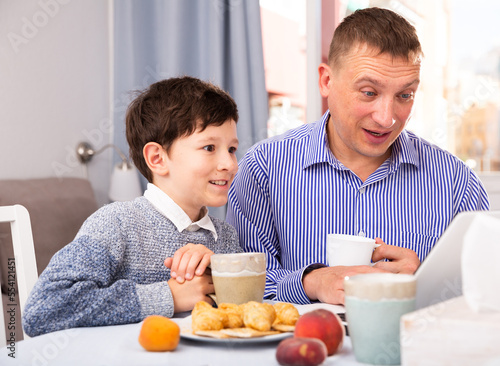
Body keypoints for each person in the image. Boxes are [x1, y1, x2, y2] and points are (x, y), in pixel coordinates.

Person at [226, 7, 490, 306]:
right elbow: (237, 288)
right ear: (326, 81)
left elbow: (488, 293)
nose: (387, 118)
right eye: (368, 92)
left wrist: (423, 286)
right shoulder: (264, 168)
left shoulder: (457, 182)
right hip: (297, 351)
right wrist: (310, 282)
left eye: (404, 95)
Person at [23, 76, 242, 337]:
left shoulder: (225, 237)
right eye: (209, 147)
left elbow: (241, 315)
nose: (230, 164)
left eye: (231, 149)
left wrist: (221, 274)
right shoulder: (117, 223)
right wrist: (169, 295)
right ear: (157, 158)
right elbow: (43, 310)